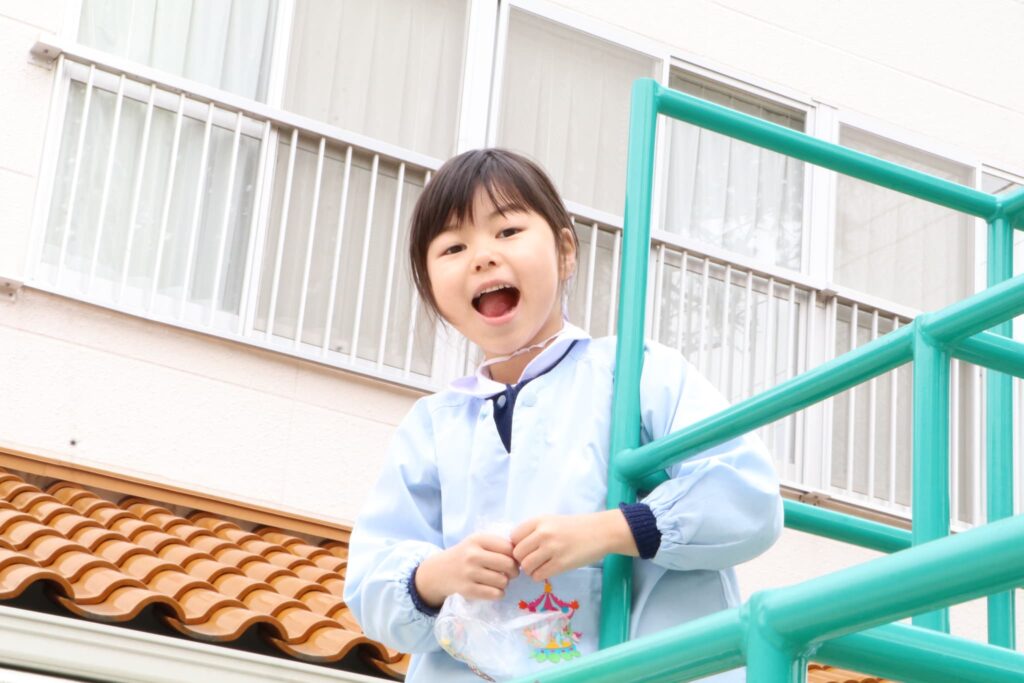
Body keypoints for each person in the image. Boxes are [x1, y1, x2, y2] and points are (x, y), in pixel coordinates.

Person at [344, 148, 782, 681]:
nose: (482, 256)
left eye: (508, 231)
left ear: (566, 252)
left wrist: (611, 530)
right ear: (433, 290)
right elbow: (371, 582)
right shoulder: (432, 425)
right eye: (454, 247)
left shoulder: (635, 372)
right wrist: (439, 574)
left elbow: (747, 496)